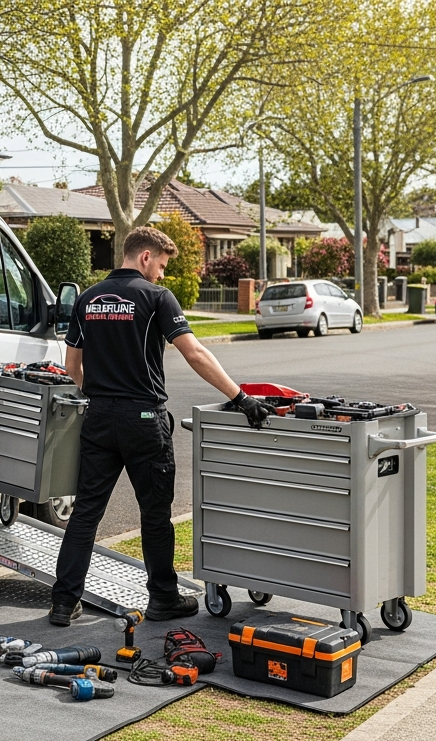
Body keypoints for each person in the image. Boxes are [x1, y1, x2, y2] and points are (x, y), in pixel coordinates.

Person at [49, 226, 272, 626]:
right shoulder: (155, 298)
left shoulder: (87, 298)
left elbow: (71, 367)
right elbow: (196, 353)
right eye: (163, 266)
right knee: (154, 513)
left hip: (98, 419)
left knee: (85, 513)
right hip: (143, 420)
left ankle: (64, 603)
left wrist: (101, 394)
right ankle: (163, 599)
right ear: (146, 257)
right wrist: (241, 398)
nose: (164, 275)